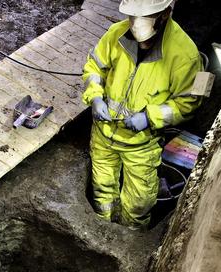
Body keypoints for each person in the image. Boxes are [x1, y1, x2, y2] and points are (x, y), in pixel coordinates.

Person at [82, 0, 203, 228]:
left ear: (166, 12)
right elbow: (94, 67)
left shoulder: (185, 55)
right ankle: (100, 230)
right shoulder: (116, 34)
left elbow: (189, 103)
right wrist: (96, 97)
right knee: (102, 189)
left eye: (145, 16)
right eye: (132, 16)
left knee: (138, 203)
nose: (136, 23)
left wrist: (150, 117)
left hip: (141, 145)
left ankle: (128, 239)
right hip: (103, 135)